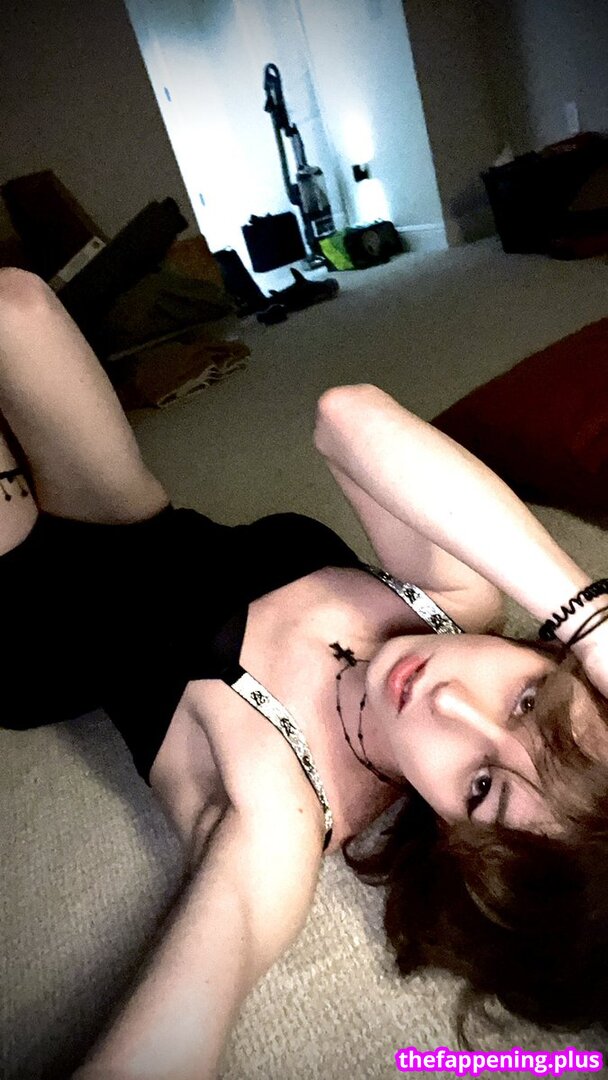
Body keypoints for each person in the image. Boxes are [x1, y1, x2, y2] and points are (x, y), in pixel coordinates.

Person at [1, 267, 607, 1078]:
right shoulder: (456, 606)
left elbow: (180, 1025)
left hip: (26, 616)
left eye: (478, 786)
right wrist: (592, 620)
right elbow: (349, 418)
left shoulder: (286, 816)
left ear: (458, 847)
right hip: (131, 517)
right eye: (528, 700)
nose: (450, 701)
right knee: (15, 303)